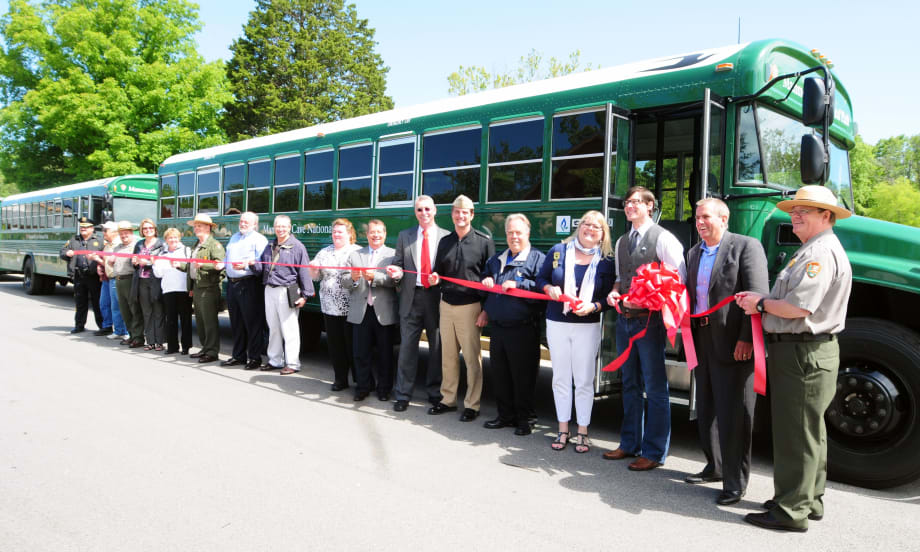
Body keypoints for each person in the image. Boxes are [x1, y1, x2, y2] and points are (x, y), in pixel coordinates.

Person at [736, 185, 852, 532]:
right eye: (795, 209)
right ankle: (808, 499)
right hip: (808, 350)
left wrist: (759, 303)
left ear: (826, 217)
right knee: (809, 431)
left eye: (806, 210)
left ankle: (790, 510)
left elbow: (799, 307)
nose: (795, 215)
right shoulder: (815, 249)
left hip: (802, 351)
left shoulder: (818, 254)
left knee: (795, 434)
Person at [683, 198, 769, 506]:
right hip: (702, 338)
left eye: (706, 216)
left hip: (734, 342)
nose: (700, 222)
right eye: (697, 217)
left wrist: (747, 338)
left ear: (724, 218)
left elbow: (757, 294)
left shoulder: (747, 247)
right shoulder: (694, 252)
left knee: (734, 414)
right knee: (706, 408)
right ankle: (715, 466)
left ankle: (735, 482)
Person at [604, 186, 686, 470]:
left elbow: (678, 280)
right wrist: (614, 292)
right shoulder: (622, 241)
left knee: (654, 387)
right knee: (629, 384)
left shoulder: (663, 238)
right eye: (627, 203)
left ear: (650, 206)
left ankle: (653, 452)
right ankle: (629, 444)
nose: (630, 206)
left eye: (636, 202)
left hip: (649, 322)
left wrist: (653, 299)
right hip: (625, 320)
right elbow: (619, 278)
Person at [537, 210, 616, 453]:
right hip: (557, 322)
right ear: (579, 227)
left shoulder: (607, 260)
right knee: (561, 377)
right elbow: (541, 279)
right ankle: (563, 429)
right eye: (586, 224)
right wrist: (548, 287)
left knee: (583, 380)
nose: (590, 229)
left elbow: (609, 297)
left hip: (588, 325)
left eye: (596, 226)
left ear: (603, 233)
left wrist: (594, 306)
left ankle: (583, 431)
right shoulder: (558, 251)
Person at [427, 195, 495, 422]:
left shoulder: (484, 242)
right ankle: (447, 400)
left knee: (472, 359)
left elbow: (490, 279)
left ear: (472, 215)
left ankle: (472, 405)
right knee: (447, 356)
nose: (460, 215)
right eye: (457, 211)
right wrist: (435, 277)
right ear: (452, 214)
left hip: (471, 307)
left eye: (465, 212)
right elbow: (438, 271)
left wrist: (486, 310)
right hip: (446, 304)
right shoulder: (445, 241)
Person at [481, 214, 545, 435]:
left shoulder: (538, 259)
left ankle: (525, 419)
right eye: (510, 232)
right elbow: (486, 283)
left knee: (523, 376)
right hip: (498, 328)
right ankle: (505, 416)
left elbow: (543, 290)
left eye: (518, 232)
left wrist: (519, 284)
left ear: (528, 233)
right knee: (500, 374)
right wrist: (487, 283)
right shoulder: (497, 259)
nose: (514, 236)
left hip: (524, 328)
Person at [386, 195, 450, 412]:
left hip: (436, 299)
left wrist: (440, 278)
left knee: (437, 349)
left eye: (427, 209)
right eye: (419, 210)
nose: (424, 213)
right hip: (410, 299)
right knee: (407, 349)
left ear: (435, 211)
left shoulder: (446, 237)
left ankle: (435, 393)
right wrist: (395, 273)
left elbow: (449, 270)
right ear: (415, 212)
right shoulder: (405, 236)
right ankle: (403, 394)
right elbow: (398, 265)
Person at [341, 220, 398, 401]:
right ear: (367, 235)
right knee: (360, 352)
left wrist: (377, 278)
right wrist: (353, 278)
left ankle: (384, 389)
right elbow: (344, 281)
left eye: (379, 232)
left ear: (385, 234)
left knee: (385, 353)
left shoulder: (393, 255)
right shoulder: (356, 254)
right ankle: (363, 387)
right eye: (372, 232)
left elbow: (396, 280)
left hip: (384, 312)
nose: (375, 235)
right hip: (361, 311)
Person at [254, 215, 314, 374]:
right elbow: (262, 268)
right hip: (269, 289)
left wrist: (305, 295)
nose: (280, 229)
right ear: (274, 227)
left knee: (290, 328)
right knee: (273, 327)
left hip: (288, 290)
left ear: (290, 227)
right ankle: (275, 360)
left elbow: (304, 271)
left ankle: (293, 364)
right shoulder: (269, 245)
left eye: (284, 226)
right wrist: (252, 265)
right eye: (277, 226)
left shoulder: (297, 247)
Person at [310, 218, 361, 389]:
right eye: (334, 232)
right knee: (335, 345)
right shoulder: (324, 252)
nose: (336, 235)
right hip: (329, 306)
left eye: (340, 232)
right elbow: (315, 278)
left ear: (349, 234)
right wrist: (313, 269)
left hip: (351, 307)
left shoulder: (357, 251)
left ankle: (360, 381)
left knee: (352, 345)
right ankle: (340, 379)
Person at [222, 211, 269, 370]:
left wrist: (247, 265)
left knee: (253, 323)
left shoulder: (260, 240)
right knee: (236, 322)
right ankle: (238, 356)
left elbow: (263, 264)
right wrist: (222, 264)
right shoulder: (234, 237)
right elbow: (227, 257)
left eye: (246, 222)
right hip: (232, 283)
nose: (242, 224)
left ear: (255, 224)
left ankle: (255, 358)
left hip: (249, 284)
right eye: (241, 221)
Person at [185, 214, 225, 363]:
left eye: (199, 226)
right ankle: (205, 348)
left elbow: (220, 265)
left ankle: (212, 352)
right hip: (197, 286)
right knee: (201, 321)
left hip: (209, 288)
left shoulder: (214, 245)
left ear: (208, 227)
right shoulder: (197, 244)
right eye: (195, 226)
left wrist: (204, 264)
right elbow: (191, 266)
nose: (196, 229)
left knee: (209, 321)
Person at [59, 216, 104, 334]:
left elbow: (105, 256)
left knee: (97, 302)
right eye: (81, 227)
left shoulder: (99, 241)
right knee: (80, 302)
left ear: (92, 228)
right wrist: (66, 253)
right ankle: (79, 325)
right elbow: (62, 252)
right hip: (79, 275)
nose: (83, 229)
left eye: (86, 227)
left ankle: (102, 326)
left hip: (93, 276)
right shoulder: (74, 240)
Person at [153, 228, 193, 355]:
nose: (173, 240)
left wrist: (191, 288)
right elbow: (157, 273)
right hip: (168, 289)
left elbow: (190, 270)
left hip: (183, 289)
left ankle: (186, 346)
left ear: (179, 238)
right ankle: (172, 346)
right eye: (170, 238)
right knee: (170, 320)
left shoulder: (187, 250)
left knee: (185, 319)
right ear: (166, 239)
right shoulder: (162, 253)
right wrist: (168, 265)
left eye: (175, 237)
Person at [132, 218, 166, 351]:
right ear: (141, 230)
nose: (148, 230)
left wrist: (147, 262)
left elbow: (163, 261)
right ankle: (150, 341)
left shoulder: (161, 244)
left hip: (156, 281)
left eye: (150, 228)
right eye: (145, 228)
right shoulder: (139, 244)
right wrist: (135, 262)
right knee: (147, 312)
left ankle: (159, 342)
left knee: (158, 311)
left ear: (155, 229)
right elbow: (134, 260)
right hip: (141, 280)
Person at [108, 221, 144, 347]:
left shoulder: (136, 246)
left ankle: (138, 337)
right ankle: (131, 335)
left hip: (130, 279)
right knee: (124, 310)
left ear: (131, 232)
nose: (124, 235)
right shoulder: (117, 247)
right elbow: (112, 262)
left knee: (134, 309)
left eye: (126, 233)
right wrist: (111, 262)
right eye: (121, 233)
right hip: (118, 280)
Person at [92, 221, 120, 337]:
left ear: (114, 232)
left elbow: (113, 263)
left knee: (116, 306)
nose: (103, 233)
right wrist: (99, 266)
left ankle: (120, 330)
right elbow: (105, 261)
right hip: (106, 278)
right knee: (104, 303)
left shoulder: (118, 245)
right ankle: (107, 326)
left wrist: (97, 260)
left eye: (105, 230)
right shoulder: (107, 245)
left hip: (115, 278)